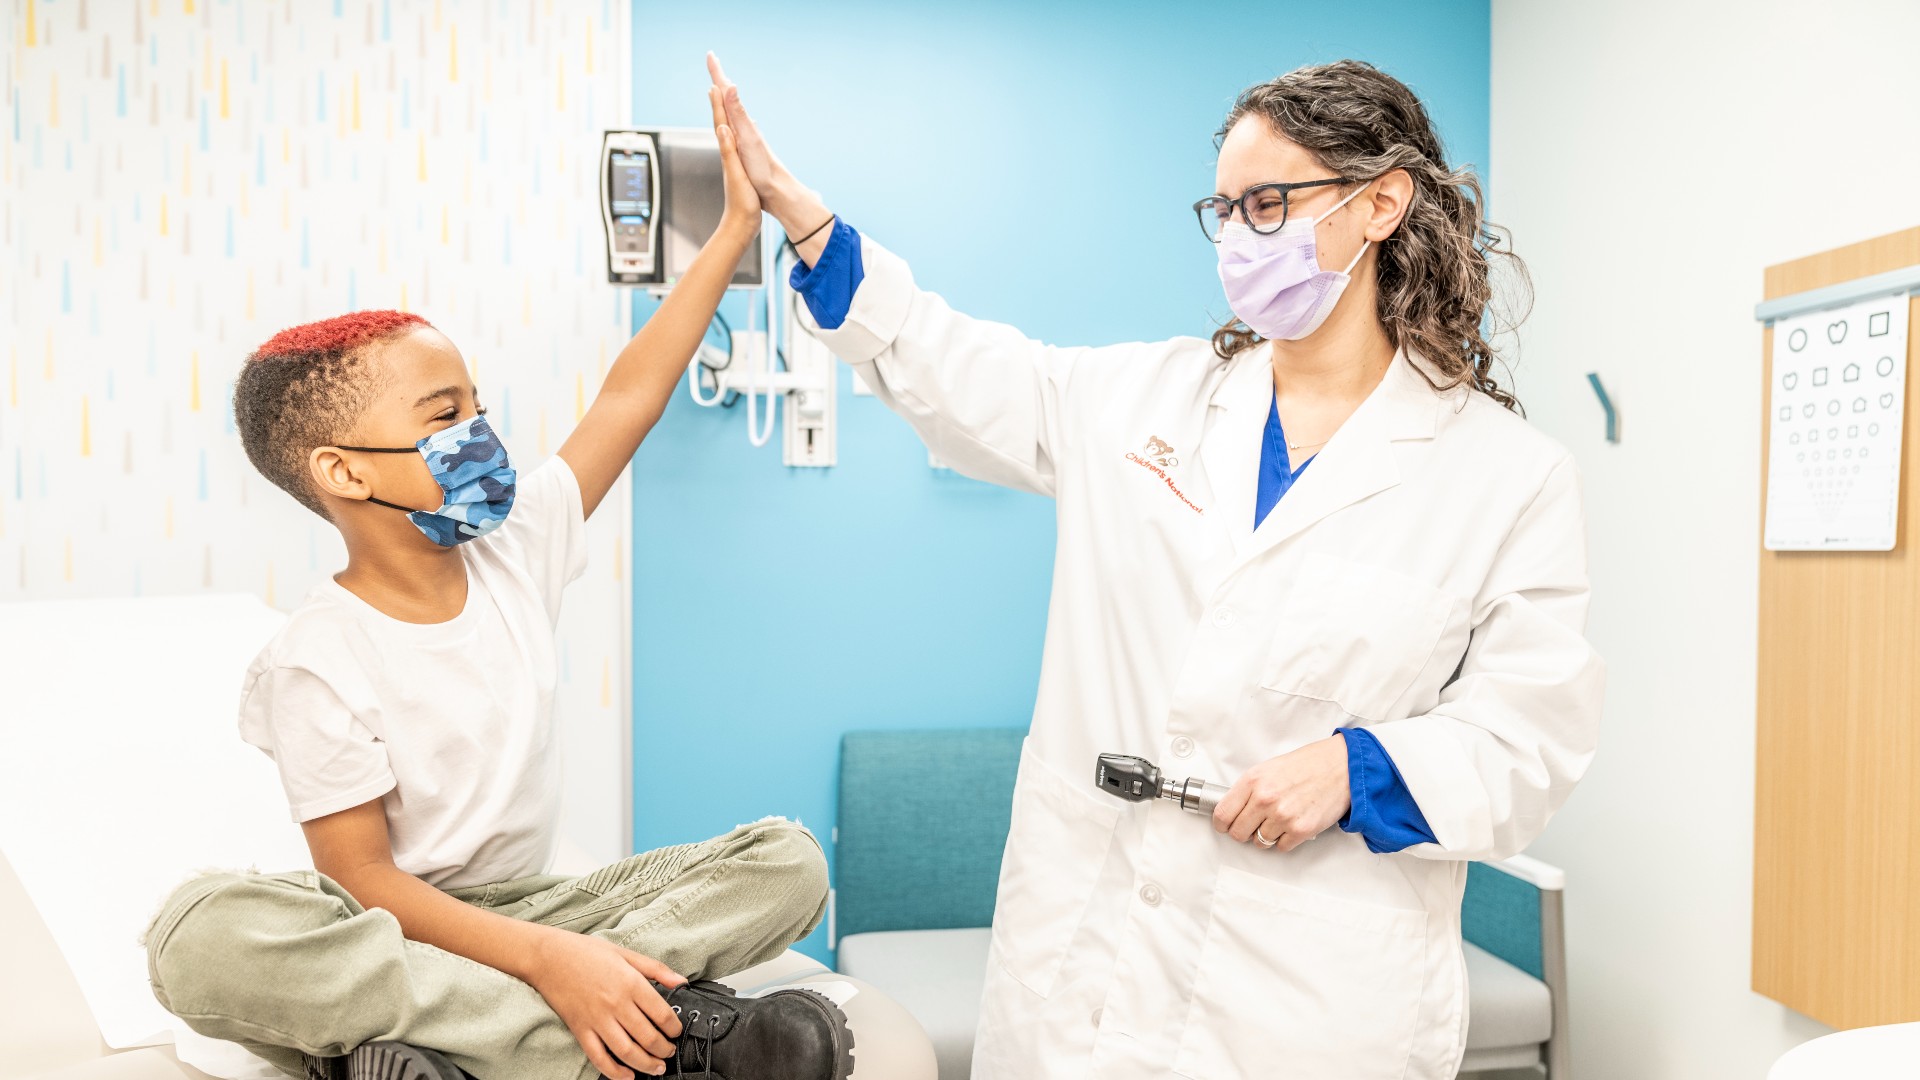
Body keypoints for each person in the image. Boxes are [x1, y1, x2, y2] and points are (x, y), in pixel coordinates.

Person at [709, 54, 1604, 1079]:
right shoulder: (1143, 401)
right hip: (1084, 968)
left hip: (1312, 997)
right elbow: (954, 363)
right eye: (1223, 209)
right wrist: (814, 231)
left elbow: (1533, 733)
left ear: (1381, 205)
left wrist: (1359, 770)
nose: (1237, 238)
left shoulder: (1506, 476)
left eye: (1268, 203)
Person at [141, 85, 856, 1080]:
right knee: (198, 939)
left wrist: (739, 223)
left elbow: (631, 393)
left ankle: (432, 1046)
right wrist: (551, 967)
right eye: (444, 415)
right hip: (394, 923)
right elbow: (365, 882)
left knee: (789, 864)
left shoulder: (515, 543)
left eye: (478, 403)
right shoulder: (317, 659)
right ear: (345, 472)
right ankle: (680, 1031)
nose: (480, 431)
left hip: (541, 905)